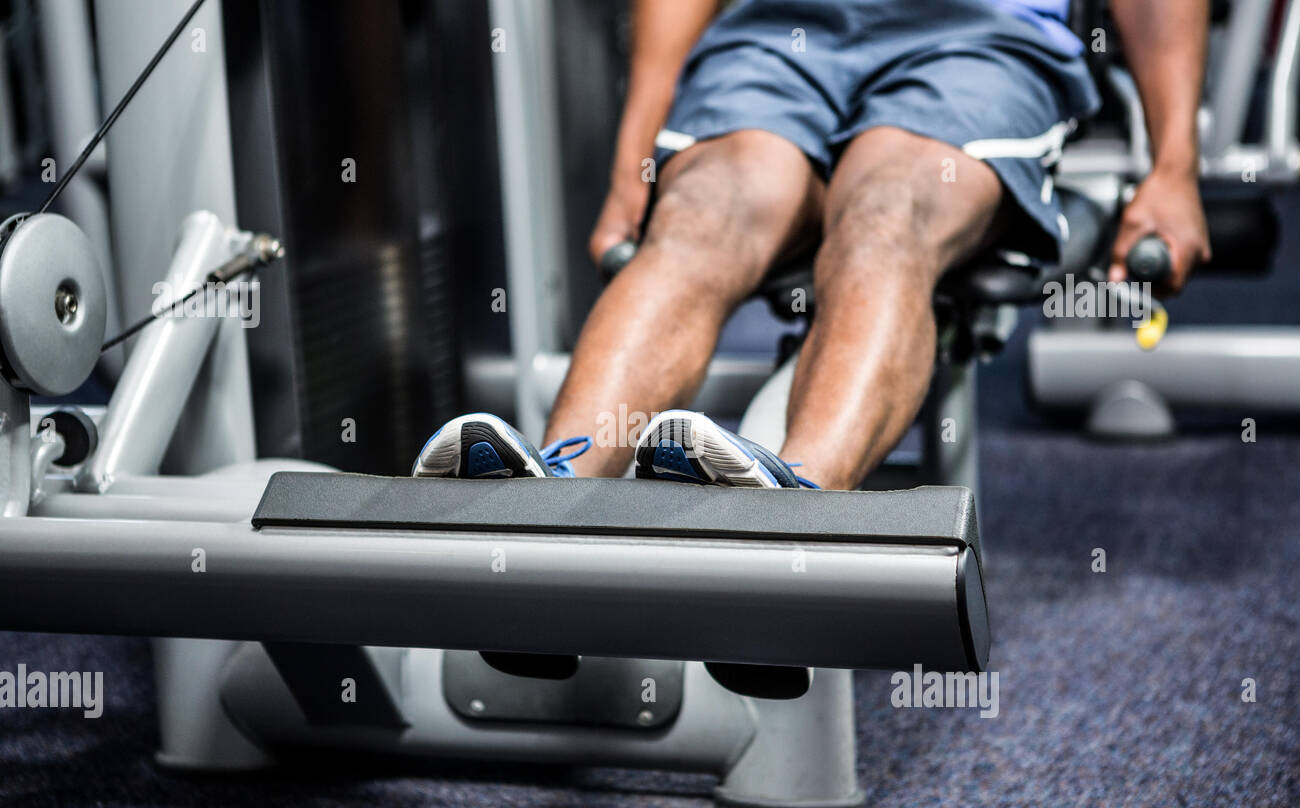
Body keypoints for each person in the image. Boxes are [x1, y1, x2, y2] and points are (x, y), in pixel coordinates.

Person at [415, 0, 1210, 491]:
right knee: (704, 212)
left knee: (889, 210)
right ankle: (552, 503)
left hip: (983, 37)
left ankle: (795, 514)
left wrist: (1174, 164)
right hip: (776, 32)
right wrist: (637, 157)